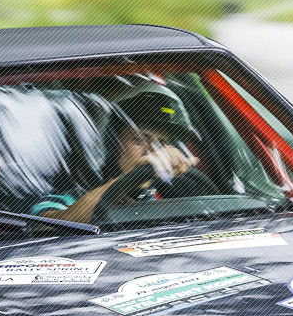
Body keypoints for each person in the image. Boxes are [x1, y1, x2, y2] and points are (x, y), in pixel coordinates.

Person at [31, 86, 202, 225]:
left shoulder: (163, 203)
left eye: (162, 144)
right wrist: (132, 177)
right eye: (140, 139)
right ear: (111, 144)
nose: (153, 152)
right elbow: (47, 227)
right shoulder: (64, 201)